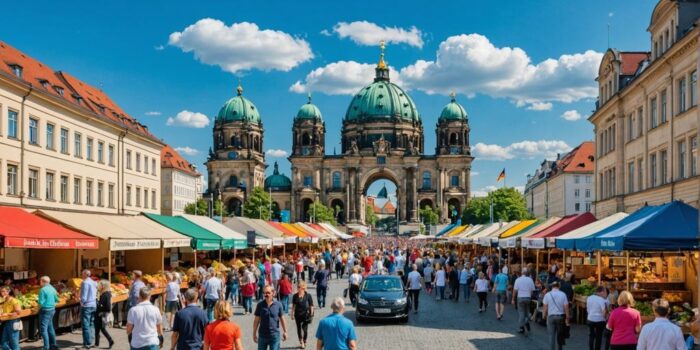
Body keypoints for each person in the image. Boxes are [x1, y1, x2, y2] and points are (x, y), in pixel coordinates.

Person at [253, 285, 288, 350]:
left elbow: (282, 319)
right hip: (262, 335)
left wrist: (285, 331)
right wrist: (254, 333)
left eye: (268, 293)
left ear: (273, 293)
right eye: (265, 293)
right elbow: (256, 320)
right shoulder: (260, 305)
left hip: (274, 335)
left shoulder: (278, 305)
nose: (266, 295)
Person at [542, 281, 570, 350]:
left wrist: (544, 315)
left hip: (551, 317)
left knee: (551, 336)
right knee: (560, 335)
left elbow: (545, 307)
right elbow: (566, 306)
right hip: (560, 317)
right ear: (559, 286)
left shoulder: (547, 295)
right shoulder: (563, 294)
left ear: (552, 286)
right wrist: (567, 317)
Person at [38, 275, 59, 350]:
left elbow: (40, 302)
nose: (39, 282)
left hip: (45, 310)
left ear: (43, 282)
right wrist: (53, 304)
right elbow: (57, 299)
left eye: (40, 281)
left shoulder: (42, 290)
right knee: (50, 327)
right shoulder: (52, 288)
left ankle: (46, 347)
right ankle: (53, 345)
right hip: (52, 310)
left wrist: (37, 308)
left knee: (43, 329)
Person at [291, 281, 315, 349]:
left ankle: (305, 340)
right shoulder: (295, 296)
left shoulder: (308, 296)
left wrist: (311, 314)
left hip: (305, 315)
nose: (297, 288)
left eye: (299, 287)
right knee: (298, 328)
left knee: (305, 329)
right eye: (297, 287)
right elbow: (293, 306)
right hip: (297, 314)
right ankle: (301, 341)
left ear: (303, 288)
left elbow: (311, 305)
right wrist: (292, 314)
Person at [512, 268, 536, 335]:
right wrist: (529, 296)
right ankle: (526, 321)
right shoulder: (530, 280)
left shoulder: (518, 280)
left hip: (520, 298)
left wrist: (513, 299)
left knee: (521, 313)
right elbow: (532, 291)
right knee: (527, 312)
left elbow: (515, 290)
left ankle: (521, 327)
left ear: (522, 273)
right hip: (528, 298)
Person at [80, 269, 98, 349]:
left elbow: (84, 295)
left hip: (87, 305)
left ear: (85, 274)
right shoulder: (94, 282)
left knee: (85, 324)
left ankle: (87, 343)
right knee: (91, 323)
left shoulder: (85, 282)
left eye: (82, 274)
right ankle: (91, 340)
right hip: (93, 304)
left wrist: (82, 302)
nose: (81, 275)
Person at [586, 286, 608, 350]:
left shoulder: (589, 298)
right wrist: (605, 319)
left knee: (591, 335)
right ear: (601, 292)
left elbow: (587, 309)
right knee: (599, 336)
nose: (604, 293)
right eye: (604, 292)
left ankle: (591, 348)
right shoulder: (601, 300)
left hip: (590, 318)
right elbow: (604, 311)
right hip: (599, 320)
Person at [95, 280, 114, 349]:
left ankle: (110, 340)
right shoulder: (103, 293)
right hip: (99, 313)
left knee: (102, 329)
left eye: (99, 285)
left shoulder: (106, 294)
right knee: (97, 328)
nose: (98, 286)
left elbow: (108, 307)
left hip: (101, 314)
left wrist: (101, 310)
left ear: (103, 286)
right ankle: (96, 343)